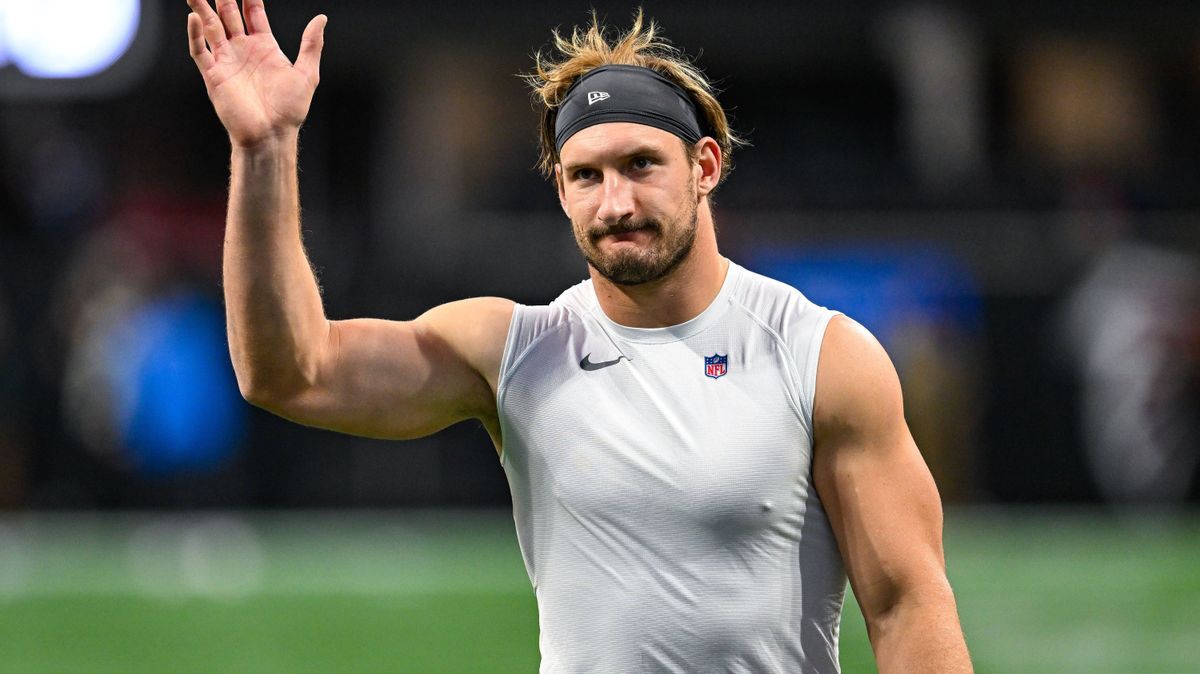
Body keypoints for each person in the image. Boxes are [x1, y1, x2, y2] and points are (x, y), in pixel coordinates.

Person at [185, 1, 973, 671]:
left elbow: (906, 606)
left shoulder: (818, 353)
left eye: (641, 165)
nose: (616, 202)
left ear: (704, 166)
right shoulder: (515, 350)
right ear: (559, 188)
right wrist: (265, 151)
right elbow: (291, 372)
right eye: (587, 175)